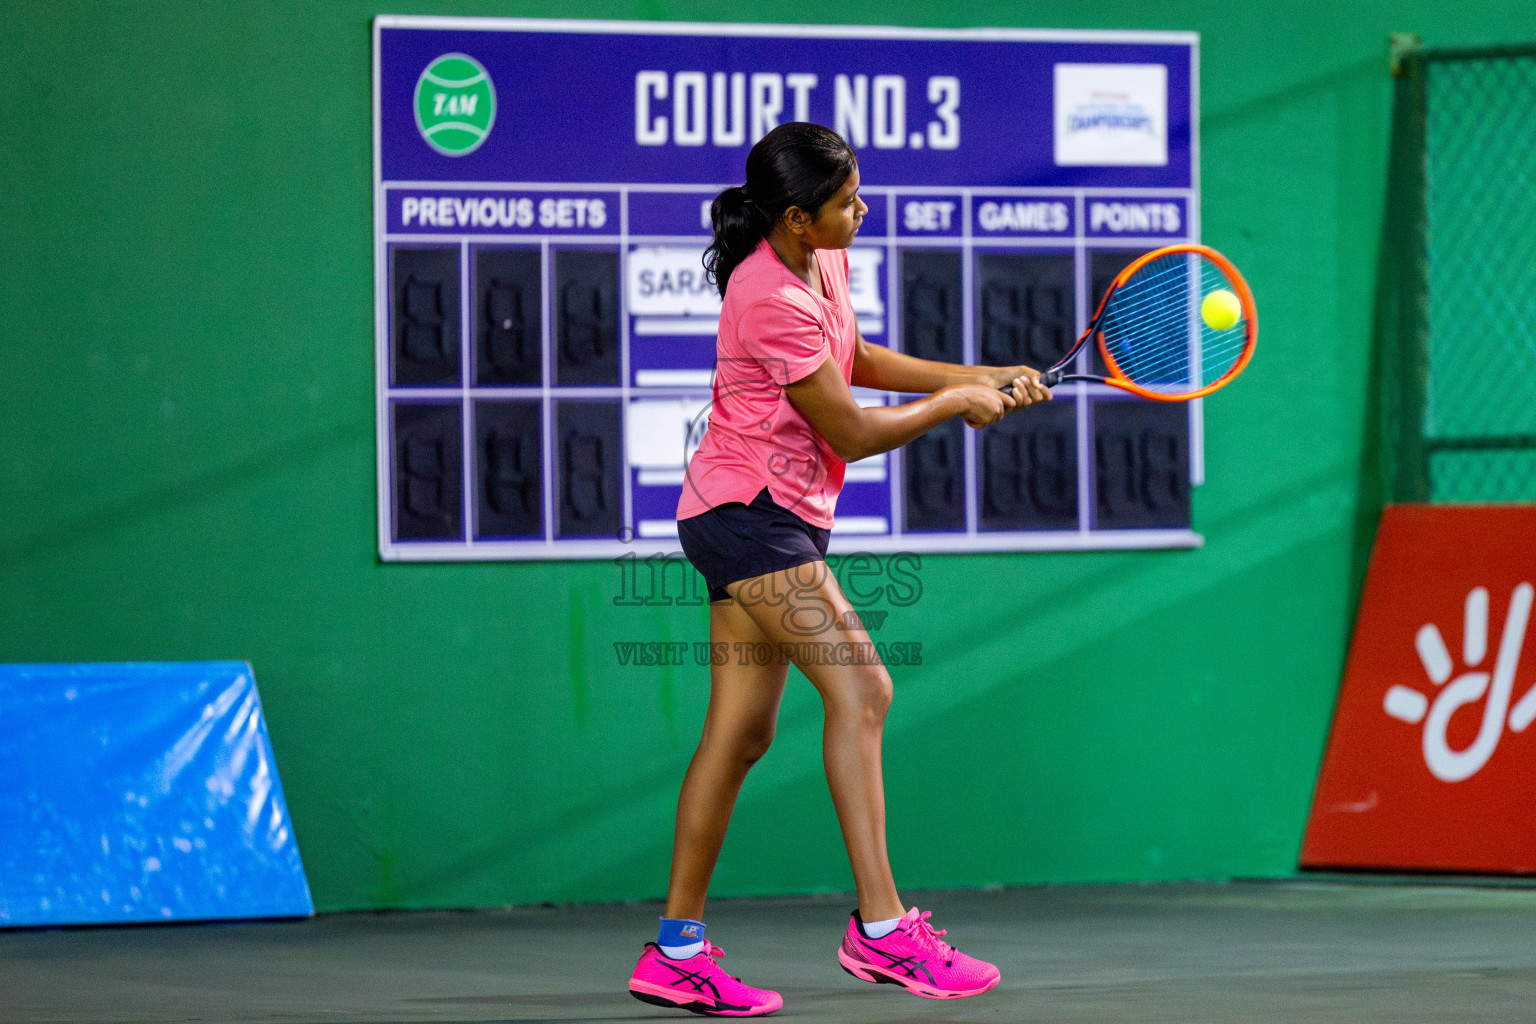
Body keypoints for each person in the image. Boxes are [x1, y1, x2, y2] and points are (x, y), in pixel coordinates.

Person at [627, 122, 1051, 1017]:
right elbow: (852, 430)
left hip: (753, 517)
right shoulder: (765, 294)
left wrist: (977, 372)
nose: (863, 209)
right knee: (864, 691)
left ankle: (675, 950)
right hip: (750, 520)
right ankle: (885, 931)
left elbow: (852, 361)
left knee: (740, 736)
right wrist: (952, 404)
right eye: (847, 201)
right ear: (795, 217)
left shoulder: (822, 261)